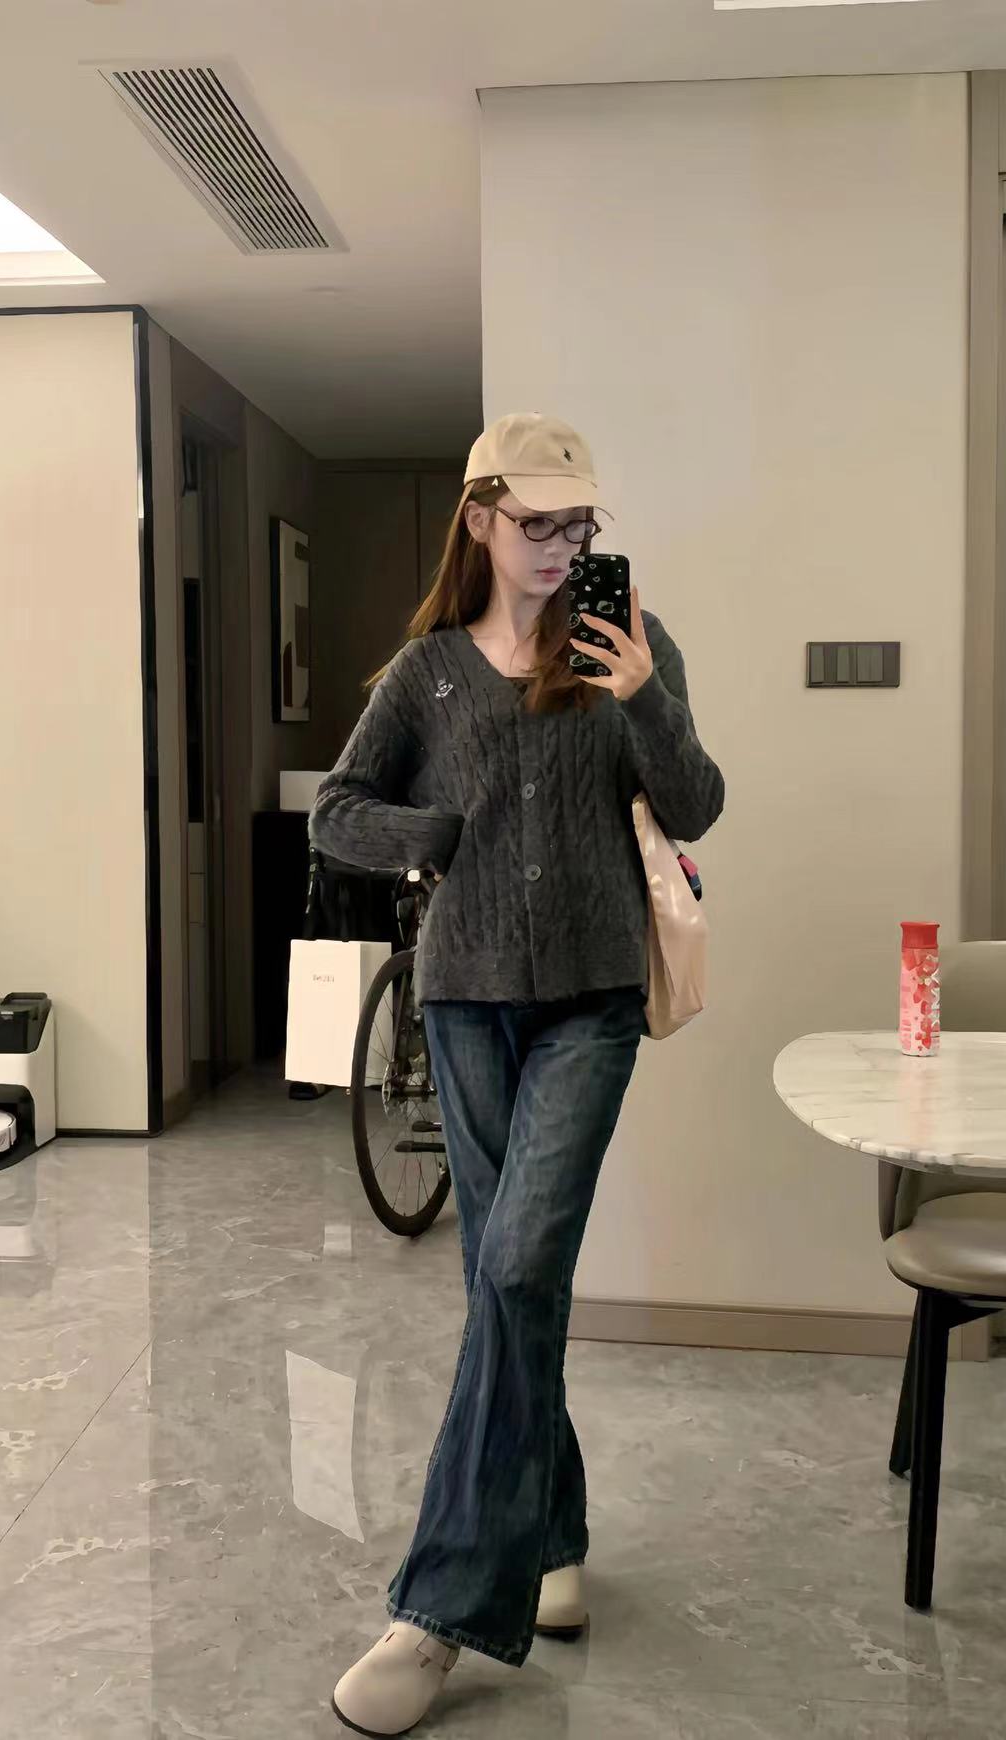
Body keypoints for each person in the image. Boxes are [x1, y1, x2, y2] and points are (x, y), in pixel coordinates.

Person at [310, 412, 725, 1738]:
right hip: (465, 1003)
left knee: (518, 1264)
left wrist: (644, 693)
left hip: (591, 1004)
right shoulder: (426, 672)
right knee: (511, 1284)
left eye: (577, 524)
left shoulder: (626, 649)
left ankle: (436, 1613)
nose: (559, 546)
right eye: (538, 522)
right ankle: (554, 1537)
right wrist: (430, 831)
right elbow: (336, 810)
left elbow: (698, 805)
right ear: (481, 519)